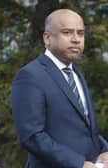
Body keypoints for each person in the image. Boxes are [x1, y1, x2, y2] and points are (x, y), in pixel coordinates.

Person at [11, 9, 108, 168]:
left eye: (81, 33)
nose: (76, 39)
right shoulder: (30, 75)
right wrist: (78, 164)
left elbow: (85, 128)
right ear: (47, 38)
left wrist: (104, 150)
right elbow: (31, 136)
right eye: (67, 32)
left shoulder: (76, 74)